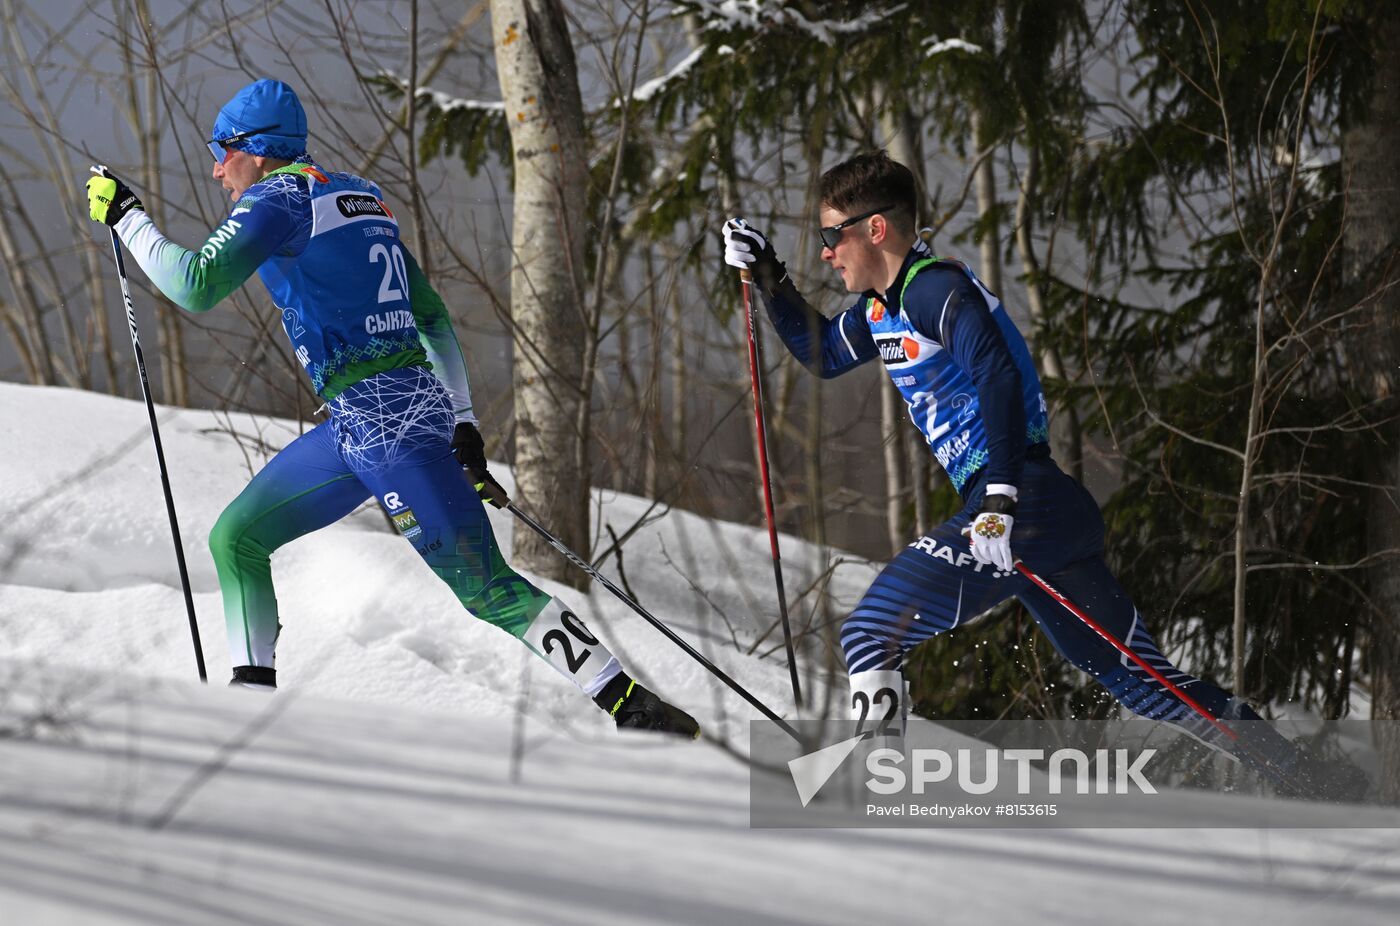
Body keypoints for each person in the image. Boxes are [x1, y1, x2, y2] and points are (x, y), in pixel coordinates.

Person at [722, 149, 1363, 797]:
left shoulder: (935, 289)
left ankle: (872, 795)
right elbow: (824, 352)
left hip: (1016, 499)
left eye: (833, 235)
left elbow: (996, 374)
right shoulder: (882, 311)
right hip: (1041, 513)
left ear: (875, 229)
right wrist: (769, 277)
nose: (828, 253)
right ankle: (1309, 781)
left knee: (869, 631)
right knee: (1141, 680)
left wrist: (998, 497)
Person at [86, 78, 697, 737]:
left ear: (256, 151)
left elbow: (196, 285)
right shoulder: (352, 199)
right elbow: (432, 317)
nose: (216, 168)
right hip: (362, 424)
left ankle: (630, 704)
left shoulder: (280, 198)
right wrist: (462, 421)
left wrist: (128, 218)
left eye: (221, 150)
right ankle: (251, 699)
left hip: (393, 434)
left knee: (486, 589)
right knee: (237, 537)